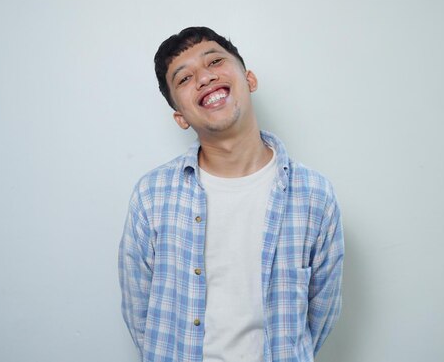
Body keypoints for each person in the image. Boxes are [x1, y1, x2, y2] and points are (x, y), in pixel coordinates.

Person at [118, 26, 344, 362]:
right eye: (184, 78)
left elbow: (321, 313)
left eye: (215, 62)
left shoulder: (314, 195)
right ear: (180, 117)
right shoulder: (152, 196)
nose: (205, 78)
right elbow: (140, 314)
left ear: (249, 79)